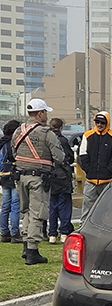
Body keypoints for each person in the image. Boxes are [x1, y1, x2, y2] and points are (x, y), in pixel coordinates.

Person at [13, 99, 65, 264]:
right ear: (40, 113)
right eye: (45, 112)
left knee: (27, 211)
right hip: (38, 178)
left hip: (20, 177)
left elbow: (13, 152)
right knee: (37, 213)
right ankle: (32, 251)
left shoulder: (18, 131)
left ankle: (26, 245)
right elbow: (60, 157)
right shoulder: (46, 133)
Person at [78, 110, 112, 223]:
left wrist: (109, 170)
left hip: (107, 180)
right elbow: (82, 154)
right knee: (87, 206)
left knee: (107, 207)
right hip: (91, 179)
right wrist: (88, 169)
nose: (99, 125)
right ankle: (84, 226)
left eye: (102, 122)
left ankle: (105, 227)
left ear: (107, 123)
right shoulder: (88, 135)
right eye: (97, 122)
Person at [47, 118, 75, 244]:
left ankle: (52, 233)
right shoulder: (63, 140)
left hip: (50, 175)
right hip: (63, 175)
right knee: (64, 206)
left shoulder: (46, 139)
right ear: (61, 127)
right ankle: (64, 232)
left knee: (52, 206)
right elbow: (69, 157)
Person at [0, 119, 21, 243]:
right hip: (13, 175)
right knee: (15, 205)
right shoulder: (12, 143)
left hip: (3, 175)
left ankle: (4, 232)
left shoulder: (2, 142)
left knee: (5, 205)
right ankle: (15, 233)